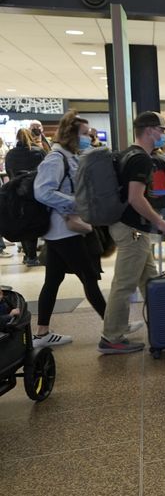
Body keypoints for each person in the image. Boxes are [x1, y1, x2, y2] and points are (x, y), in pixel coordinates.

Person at [100, 111, 165, 355]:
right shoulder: (141, 159)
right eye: (162, 130)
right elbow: (135, 198)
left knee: (149, 279)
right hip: (132, 229)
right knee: (124, 284)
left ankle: (162, 324)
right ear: (150, 130)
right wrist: (160, 222)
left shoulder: (126, 153)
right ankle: (111, 337)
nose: (163, 135)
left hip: (128, 227)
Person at [32, 110, 108, 348]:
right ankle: (114, 328)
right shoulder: (56, 159)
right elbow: (42, 192)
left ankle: (42, 332)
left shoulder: (70, 155)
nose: (88, 137)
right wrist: (75, 202)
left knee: (53, 279)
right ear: (71, 134)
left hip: (61, 230)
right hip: (65, 230)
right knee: (89, 277)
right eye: (84, 134)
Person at [5, 128, 46, 265]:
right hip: (34, 191)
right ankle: (32, 256)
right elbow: (45, 171)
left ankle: (28, 255)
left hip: (15, 192)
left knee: (22, 222)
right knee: (33, 222)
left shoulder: (10, 154)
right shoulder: (38, 152)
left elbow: (9, 173)